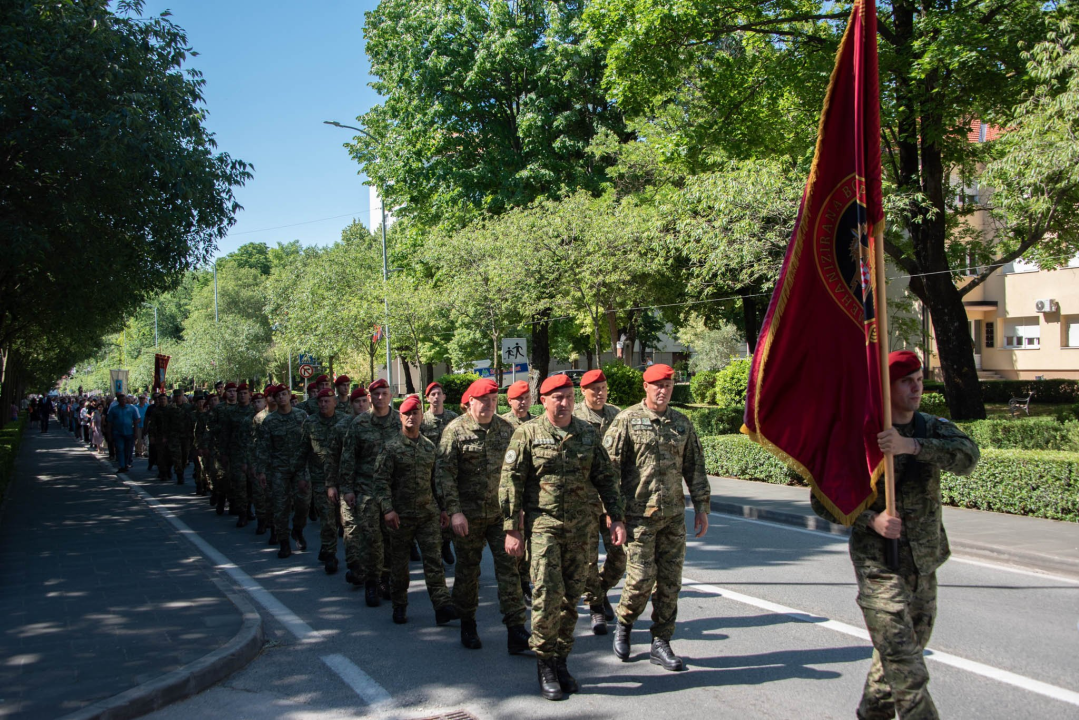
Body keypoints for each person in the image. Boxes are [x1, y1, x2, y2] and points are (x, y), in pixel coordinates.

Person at [811, 350, 979, 720]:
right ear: (885, 388)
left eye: (919, 379)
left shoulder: (930, 427)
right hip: (878, 566)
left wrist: (913, 446)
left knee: (901, 655)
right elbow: (823, 500)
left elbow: (968, 457)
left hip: (924, 561)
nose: (917, 387)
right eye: (906, 381)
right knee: (906, 665)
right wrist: (870, 520)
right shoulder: (860, 437)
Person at [500, 372, 626, 700]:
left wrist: (616, 518)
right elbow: (511, 480)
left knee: (571, 599)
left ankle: (561, 659)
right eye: (558, 397)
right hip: (543, 527)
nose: (565, 402)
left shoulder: (586, 433)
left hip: (581, 531)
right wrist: (513, 528)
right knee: (546, 595)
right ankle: (544, 664)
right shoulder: (528, 434)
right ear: (544, 401)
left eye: (569, 396)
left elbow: (605, 477)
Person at [604, 363, 710, 672]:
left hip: (673, 517)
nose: (662, 390)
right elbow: (607, 470)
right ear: (645, 387)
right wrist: (613, 514)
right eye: (656, 385)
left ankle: (661, 641)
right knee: (639, 579)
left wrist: (701, 505)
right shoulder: (626, 421)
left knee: (670, 583)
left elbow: (695, 466)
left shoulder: (681, 423)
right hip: (637, 518)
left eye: (667, 385)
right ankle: (624, 624)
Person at [437, 378, 529, 653]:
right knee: (468, 572)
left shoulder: (507, 429)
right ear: (470, 404)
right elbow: (445, 476)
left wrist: (519, 508)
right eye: (484, 401)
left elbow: (518, 472)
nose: (490, 405)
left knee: (510, 571)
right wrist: (454, 512)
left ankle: (516, 631)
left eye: (493, 400)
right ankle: (468, 623)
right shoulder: (454, 432)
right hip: (469, 516)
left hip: (502, 515)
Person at [371, 394, 459, 626]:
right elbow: (380, 483)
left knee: (434, 561)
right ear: (400, 417)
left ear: (421, 415)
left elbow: (435, 481)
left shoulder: (429, 447)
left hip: (428, 514)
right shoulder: (390, 448)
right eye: (407, 413)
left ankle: (442, 606)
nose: (411, 417)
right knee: (400, 565)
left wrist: (443, 509)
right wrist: (388, 510)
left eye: (415, 413)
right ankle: (399, 605)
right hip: (401, 517)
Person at [335, 378, 399, 605]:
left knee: (392, 538)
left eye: (384, 393)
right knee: (372, 539)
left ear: (390, 395)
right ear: (369, 398)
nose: (380, 398)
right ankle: (371, 582)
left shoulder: (401, 421)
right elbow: (348, 459)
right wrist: (347, 489)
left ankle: (386, 578)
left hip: (394, 490)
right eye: (376, 394)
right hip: (367, 489)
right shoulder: (359, 424)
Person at [572, 369, 625, 635]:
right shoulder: (575, 418)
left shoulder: (617, 415)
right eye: (594, 389)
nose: (600, 393)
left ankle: (600, 591)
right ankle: (595, 608)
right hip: (586, 501)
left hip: (614, 499)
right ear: (583, 391)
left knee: (620, 556)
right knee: (589, 559)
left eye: (603, 388)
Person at [294, 388, 345, 573]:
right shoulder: (310, 423)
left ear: (335, 402)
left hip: (343, 477)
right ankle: (330, 554)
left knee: (346, 520)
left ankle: (350, 555)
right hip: (320, 479)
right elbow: (302, 451)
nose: (323, 404)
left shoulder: (345, 421)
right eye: (320, 401)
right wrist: (301, 476)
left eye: (327, 401)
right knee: (328, 517)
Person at [256, 386, 309, 559]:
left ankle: (298, 529)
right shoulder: (269, 421)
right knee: (280, 507)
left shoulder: (301, 416)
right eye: (278, 396)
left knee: (303, 503)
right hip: (278, 469)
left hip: (300, 468)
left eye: (284, 394)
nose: (282, 398)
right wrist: (261, 471)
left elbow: (310, 441)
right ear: (274, 399)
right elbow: (263, 448)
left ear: (289, 396)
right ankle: (284, 542)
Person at [420, 381, 459, 566]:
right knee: (431, 513)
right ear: (427, 398)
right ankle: (434, 551)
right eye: (432, 394)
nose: (436, 397)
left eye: (439, 393)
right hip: (427, 473)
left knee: (449, 510)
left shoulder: (453, 418)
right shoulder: (422, 420)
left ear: (444, 397)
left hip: (449, 472)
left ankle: (446, 544)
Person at [250, 385, 278, 537]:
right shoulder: (259, 418)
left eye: (277, 395)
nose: (275, 398)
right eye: (271, 395)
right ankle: (265, 522)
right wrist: (256, 465)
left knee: (280, 499)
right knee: (264, 495)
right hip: (265, 463)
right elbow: (255, 443)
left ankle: (276, 527)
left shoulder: (292, 415)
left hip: (283, 464)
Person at [107, 393, 140, 472]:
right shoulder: (114, 409)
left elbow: (136, 420)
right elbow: (109, 422)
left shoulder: (131, 408)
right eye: (121, 400)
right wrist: (109, 434)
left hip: (129, 432)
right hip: (118, 433)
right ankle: (122, 465)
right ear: (118, 401)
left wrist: (135, 432)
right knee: (120, 448)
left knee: (128, 450)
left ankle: (126, 464)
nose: (123, 401)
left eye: (124, 399)